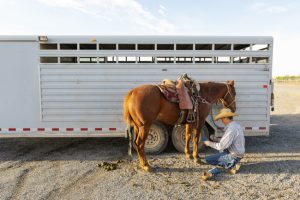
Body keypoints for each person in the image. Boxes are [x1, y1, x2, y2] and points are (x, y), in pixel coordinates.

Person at [200, 108, 245, 181]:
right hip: (237, 152)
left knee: (209, 160)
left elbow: (221, 146)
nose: (221, 120)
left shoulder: (231, 129)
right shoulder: (236, 125)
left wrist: (209, 143)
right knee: (220, 152)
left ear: (225, 118)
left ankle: (231, 165)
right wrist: (216, 139)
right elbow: (228, 141)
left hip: (234, 155)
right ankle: (232, 164)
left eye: (222, 118)